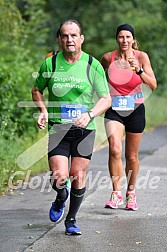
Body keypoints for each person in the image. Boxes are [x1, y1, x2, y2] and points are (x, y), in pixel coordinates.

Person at [32, 19, 111, 235]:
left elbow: (106, 98)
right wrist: (43, 110)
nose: (69, 40)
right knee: (59, 176)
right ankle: (60, 197)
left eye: (73, 35)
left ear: (81, 38)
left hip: (84, 129)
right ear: (59, 39)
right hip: (58, 128)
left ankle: (71, 220)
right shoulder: (51, 64)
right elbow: (37, 90)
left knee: (78, 175)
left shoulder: (92, 65)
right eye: (65, 36)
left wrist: (90, 114)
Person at [101, 23, 157, 211]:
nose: (124, 41)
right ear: (116, 39)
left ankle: (130, 194)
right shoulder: (108, 58)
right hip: (114, 109)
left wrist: (139, 71)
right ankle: (116, 193)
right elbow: (99, 81)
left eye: (128, 37)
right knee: (115, 149)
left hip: (135, 108)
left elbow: (153, 84)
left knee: (131, 156)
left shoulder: (142, 57)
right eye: (120, 37)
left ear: (133, 40)